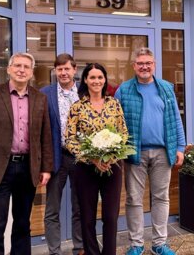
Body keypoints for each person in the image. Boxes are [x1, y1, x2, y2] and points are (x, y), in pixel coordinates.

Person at [0, 52, 53, 255]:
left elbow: (45, 136)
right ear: (8, 69)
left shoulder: (40, 98)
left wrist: (46, 168)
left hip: (27, 168)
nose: (21, 70)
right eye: (17, 65)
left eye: (26, 67)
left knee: (23, 225)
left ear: (31, 72)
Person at [115, 47, 186, 255]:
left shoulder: (166, 88)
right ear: (134, 66)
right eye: (140, 63)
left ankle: (159, 244)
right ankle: (136, 244)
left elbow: (175, 119)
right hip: (134, 153)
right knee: (134, 199)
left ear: (154, 65)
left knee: (161, 198)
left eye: (148, 63)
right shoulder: (124, 90)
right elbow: (116, 122)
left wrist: (180, 147)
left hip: (163, 153)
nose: (145, 66)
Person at [65, 63, 128, 255]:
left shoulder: (114, 104)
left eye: (100, 77)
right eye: (92, 77)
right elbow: (69, 138)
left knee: (110, 216)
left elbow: (123, 133)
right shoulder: (77, 107)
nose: (96, 81)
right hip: (86, 168)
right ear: (85, 80)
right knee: (87, 216)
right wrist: (91, 158)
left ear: (104, 79)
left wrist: (112, 155)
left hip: (112, 166)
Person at [41, 53, 84, 255]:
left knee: (79, 206)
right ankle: (54, 251)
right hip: (56, 158)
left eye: (67, 68)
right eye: (59, 69)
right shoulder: (45, 94)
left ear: (74, 69)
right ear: (55, 71)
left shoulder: (84, 93)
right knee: (52, 210)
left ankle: (79, 247)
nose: (63, 72)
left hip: (80, 158)